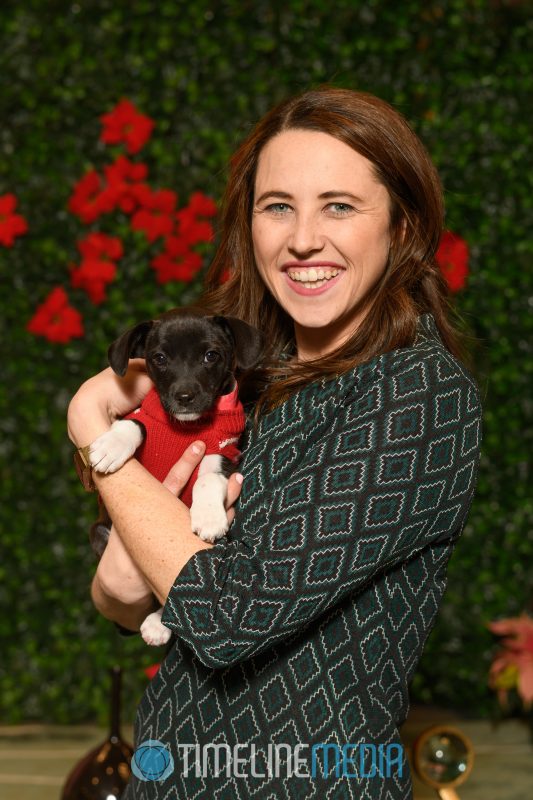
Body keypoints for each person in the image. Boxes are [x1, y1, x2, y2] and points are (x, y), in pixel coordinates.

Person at [67, 87, 482, 799]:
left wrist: (90, 427)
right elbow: (136, 593)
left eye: (339, 206)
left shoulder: (418, 396)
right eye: (277, 206)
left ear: (403, 225)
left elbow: (227, 614)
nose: (302, 238)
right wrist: (122, 589)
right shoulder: (251, 374)